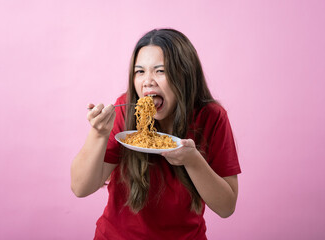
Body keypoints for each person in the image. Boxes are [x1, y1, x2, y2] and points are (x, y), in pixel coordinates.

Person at [71, 28, 241, 240]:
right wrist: (98, 134)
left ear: (185, 74)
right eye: (140, 72)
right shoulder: (125, 110)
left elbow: (226, 207)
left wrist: (193, 160)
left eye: (160, 71)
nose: (147, 81)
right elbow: (80, 187)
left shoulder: (212, 117)